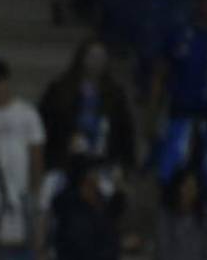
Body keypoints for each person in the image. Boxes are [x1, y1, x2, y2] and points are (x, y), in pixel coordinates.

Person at [39, 39, 136, 176]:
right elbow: (47, 126)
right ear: (82, 58)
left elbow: (125, 131)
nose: (97, 62)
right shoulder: (60, 90)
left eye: (101, 57)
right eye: (93, 56)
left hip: (103, 162)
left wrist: (126, 164)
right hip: (66, 163)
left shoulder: (115, 94)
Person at [0, 60, 45, 248]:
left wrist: (35, 187)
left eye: (0, 83)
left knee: (21, 239)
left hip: (21, 187)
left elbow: (36, 152)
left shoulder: (27, 113)